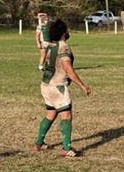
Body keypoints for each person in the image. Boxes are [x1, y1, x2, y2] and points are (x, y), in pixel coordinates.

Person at [34, 19, 91, 157]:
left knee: (51, 113)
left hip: (46, 85)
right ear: (63, 32)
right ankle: (66, 148)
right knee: (66, 115)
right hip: (58, 86)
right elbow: (67, 68)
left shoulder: (50, 46)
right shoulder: (63, 47)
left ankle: (39, 143)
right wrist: (82, 85)